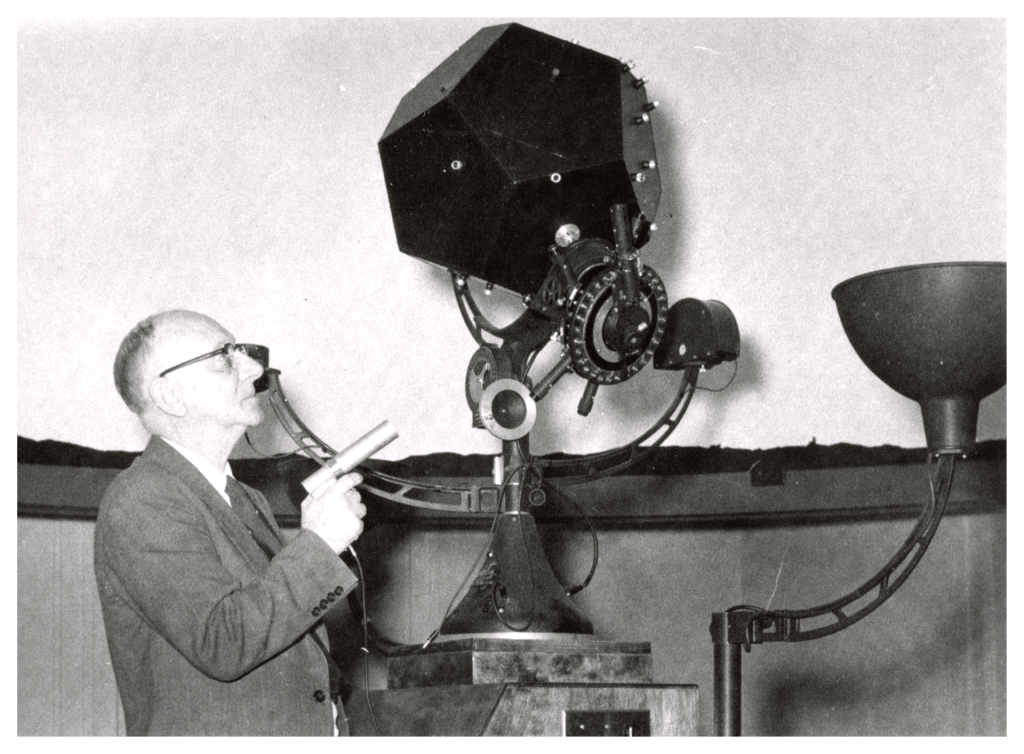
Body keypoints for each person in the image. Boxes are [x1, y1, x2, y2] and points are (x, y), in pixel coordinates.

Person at [94, 309, 367, 736]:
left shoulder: (241, 497)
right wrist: (317, 544)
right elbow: (223, 642)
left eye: (244, 353)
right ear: (170, 396)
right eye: (226, 357)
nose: (256, 369)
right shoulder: (142, 498)